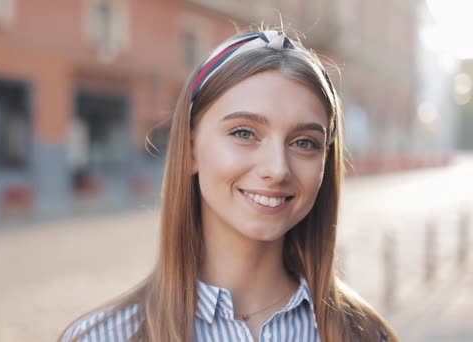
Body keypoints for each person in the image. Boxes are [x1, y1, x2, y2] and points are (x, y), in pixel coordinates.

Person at [60, 29, 398, 342]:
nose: (277, 169)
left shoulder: (366, 335)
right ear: (190, 149)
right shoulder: (101, 337)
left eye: (305, 142)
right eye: (244, 133)